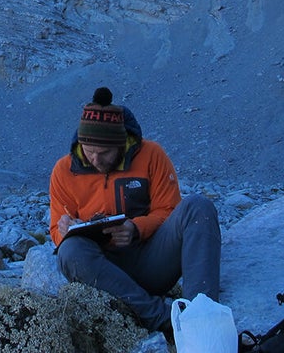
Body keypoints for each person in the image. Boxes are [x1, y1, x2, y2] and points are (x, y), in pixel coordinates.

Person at [49, 86, 221, 333]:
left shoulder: (151, 155)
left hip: (151, 261)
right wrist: (64, 230)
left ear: (120, 144)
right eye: (89, 151)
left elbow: (170, 210)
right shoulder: (64, 171)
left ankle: (203, 315)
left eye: (104, 152)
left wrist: (136, 228)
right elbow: (56, 229)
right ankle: (162, 319)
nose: (95, 159)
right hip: (105, 272)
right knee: (70, 251)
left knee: (198, 207)